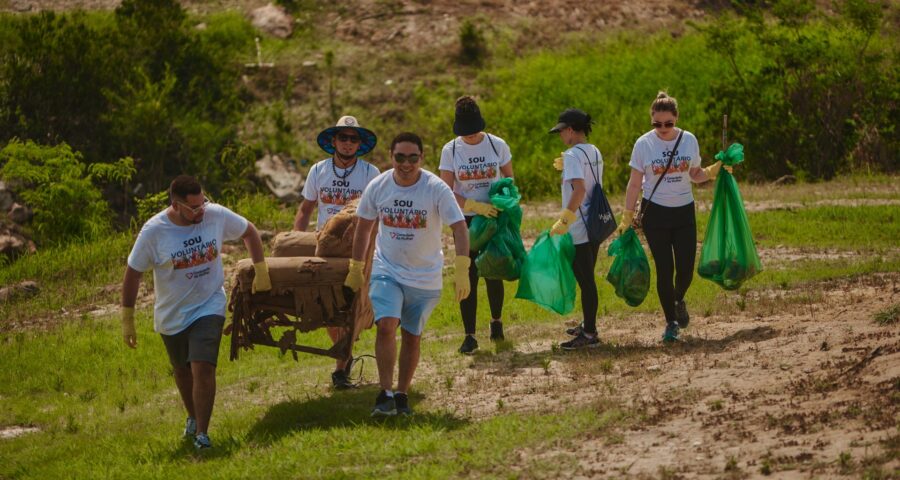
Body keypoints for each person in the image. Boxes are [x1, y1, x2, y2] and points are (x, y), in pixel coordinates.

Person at [120, 175, 271, 450]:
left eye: (203, 203)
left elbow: (249, 231)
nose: (202, 211)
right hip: (172, 314)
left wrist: (261, 270)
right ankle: (191, 417)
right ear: (176, 206)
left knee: (203, 367)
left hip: (209, 304)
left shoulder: (214, 215)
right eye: (195, 208)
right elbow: (133, 273)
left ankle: (202, 433)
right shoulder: (154, 231)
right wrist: (127, 318)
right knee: (182, 371)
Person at [344, 132, 470, 417]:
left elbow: (460, 228)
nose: (406, 163)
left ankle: (402, 394)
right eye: (400, 157)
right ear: (391, 157)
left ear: (421, 159)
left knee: (412, 336)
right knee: (386, 324)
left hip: (425, 276)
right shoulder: (378, 186)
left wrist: (463, 268)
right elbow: (364, 227)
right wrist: (355, 267)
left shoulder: (436, 189)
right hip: (387, 269)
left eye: (413, 157)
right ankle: (384, 393)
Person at [617, 91, 731, 342]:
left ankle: (678, 299)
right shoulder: (643, 144)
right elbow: (634, 183)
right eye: (657, 124)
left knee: (686, 270)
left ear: (676, 118)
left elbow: (696, 174)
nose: (663, 129)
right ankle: (670, 322)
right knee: (664, 269)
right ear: (652, 121)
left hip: (683, 211)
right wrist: (627, 215)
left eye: (668, 123)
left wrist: (716, 169)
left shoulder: (688, 140)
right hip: (655, 213)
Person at [293, 115, 380, 389]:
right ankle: (346, 353)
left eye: (353, 139)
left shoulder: (371, 173)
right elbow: (306, 208)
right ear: (333, 141)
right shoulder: (318, 170)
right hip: (325, 246)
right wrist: (297, 239)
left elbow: (378, 214)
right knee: (327, 309)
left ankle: (340, 367)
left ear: (359, 144)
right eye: (343, 137)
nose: (347, 143)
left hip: (358, 247)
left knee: (352, 305)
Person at [438, 96, 514, 355]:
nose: (470, 137)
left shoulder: (496, 144)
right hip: (465, 219)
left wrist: (502, 201)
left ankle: (496, 322)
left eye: (474, 132)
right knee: (467, 274)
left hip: (493, 215)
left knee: (493, 269)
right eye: (465, 134)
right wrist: (473, 206)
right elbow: (446, 190)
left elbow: (509, 179)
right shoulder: (451, 150)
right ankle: (469, 335)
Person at [547, 108, 604, 350]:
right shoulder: (593, 150)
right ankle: (587, 324)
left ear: (570, 130)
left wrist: (565, 219)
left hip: (579, 226)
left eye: (561, 131)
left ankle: (589, 334)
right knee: (587, 278)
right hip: (595, 222)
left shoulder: (572, 155)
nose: (561, 136)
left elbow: (579, 190)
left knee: (586, 281)